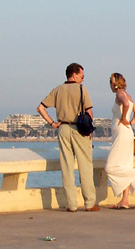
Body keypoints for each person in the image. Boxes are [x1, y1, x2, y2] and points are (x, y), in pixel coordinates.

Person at [37, 63, 99, 212]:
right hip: (79, 129)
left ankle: (71, 204)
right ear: (74, 74)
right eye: (82, 76)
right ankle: (89, 203)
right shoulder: (81, 89)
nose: (83, 79)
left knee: (66, 166)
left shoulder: (58, 90)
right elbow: (89, 112)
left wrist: (52, 123)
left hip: (63, 128)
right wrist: (90, 130)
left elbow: (40, 107)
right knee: (85, 165)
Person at [105, 72, 135, 210]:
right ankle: (125, 200)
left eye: (110, 82)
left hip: (121, 134)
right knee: (125, 165)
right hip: (126, 132)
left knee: (110, 167)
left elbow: (126, 105)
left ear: (114, 83)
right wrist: (130, 123)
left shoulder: (120, 95)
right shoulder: (129, 95)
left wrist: (123, 119)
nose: (109, 85)